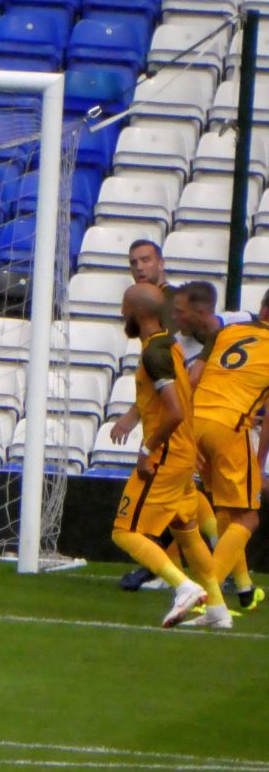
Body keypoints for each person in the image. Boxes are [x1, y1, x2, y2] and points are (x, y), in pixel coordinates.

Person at [109, 283, 230, 628]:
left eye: (125, 307)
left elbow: (175, 411)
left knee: (125, 531)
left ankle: (184, 587)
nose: (121, 313)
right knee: (187, 533)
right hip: (181, 452)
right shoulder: (168, 346)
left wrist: (147, 451)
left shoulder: (155, 354)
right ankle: (218, 610)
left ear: (140, 313)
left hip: (165, 456)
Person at [113, 241, 217, 592]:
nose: (139, 266)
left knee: (166, 497)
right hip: (175, 407)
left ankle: (172, 571)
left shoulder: (171, 303)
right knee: (183, 502)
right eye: (133, 262)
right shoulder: (146, 306)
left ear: (161, 261)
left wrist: (199, 366)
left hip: (183, 411)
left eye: (145, 260)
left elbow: (211, 329)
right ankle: (203, 579)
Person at [187, 287, 269, 622]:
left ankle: (246, 589)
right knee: (250, 516)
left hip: (197, 422)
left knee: (227, 509)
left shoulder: (228, 331)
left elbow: (193, 377)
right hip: (229, 427)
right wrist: (260, 464)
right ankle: (207, 594)